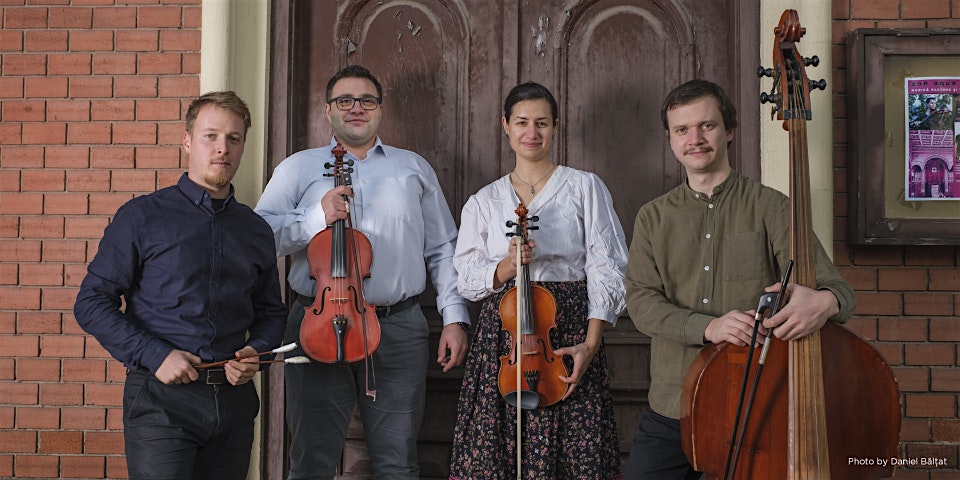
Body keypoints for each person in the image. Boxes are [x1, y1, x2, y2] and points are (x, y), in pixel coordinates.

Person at [621, 79, 856, 479]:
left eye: (707, 126)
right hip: (674, 405)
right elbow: (641, 302)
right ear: (670, 139)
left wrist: (825, 302)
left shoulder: (773, 207)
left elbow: (839, 292)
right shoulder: (653, 217)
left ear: (729, 130)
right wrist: (708, 327)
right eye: (682, 130)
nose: (695, 139)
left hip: (754, 404)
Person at [254, 64, 471, 479]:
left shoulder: (413, 168)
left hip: (398, 327)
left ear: (380, 109)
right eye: (345, 100)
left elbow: (443, 248)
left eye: (367, 100)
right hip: (316, 324)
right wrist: (315, 218)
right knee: (311, 462)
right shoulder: (297, 168)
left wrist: (454, 318)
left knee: (397, 462)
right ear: (327, 110)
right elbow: (260, 238)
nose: (356, 108)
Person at [73, 91, 288, 480]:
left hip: (234, 403)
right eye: (211, 136)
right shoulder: (141, 216)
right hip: (161, 401)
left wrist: (256, 351)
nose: (222, 148)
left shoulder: (255, 230)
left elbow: (272, 312)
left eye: (234, 138)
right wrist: (155, 355)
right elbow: (91, 302)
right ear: (188, 141)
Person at [449, 82, 627, 479]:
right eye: (522, 122)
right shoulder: (483, 201)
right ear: (506, 126)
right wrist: (505, 268)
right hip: (506, 338)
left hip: (566, 331)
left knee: (574, 449)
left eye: (542, 123)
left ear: (556, 126)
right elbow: (467, 279)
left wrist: (591, 344)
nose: (532, 133)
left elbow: (607, 264)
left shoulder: (584, 187)